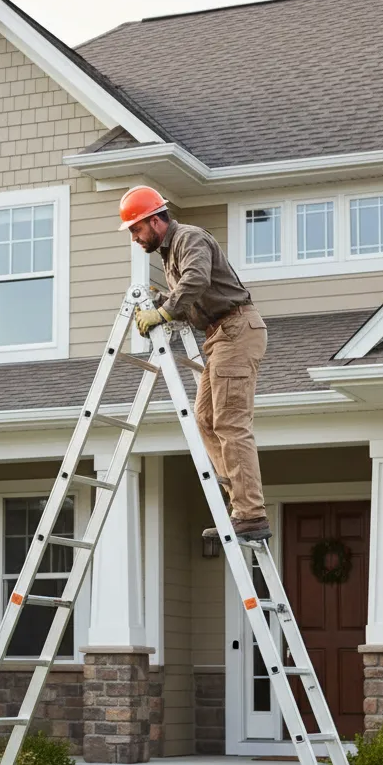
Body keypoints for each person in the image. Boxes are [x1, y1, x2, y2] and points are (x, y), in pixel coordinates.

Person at [119, 185, 270, 542]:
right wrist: (162, 303)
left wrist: (164, 311)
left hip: (237, 329)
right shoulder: (169, 256)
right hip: (218, 336)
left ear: (155, 220)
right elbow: (188, 295)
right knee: (204, 419)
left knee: (230, 422)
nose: (135, 238)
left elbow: (197, 280)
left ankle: (251, 514)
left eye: (136, 229)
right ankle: (239, 506)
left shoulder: (189, 238)